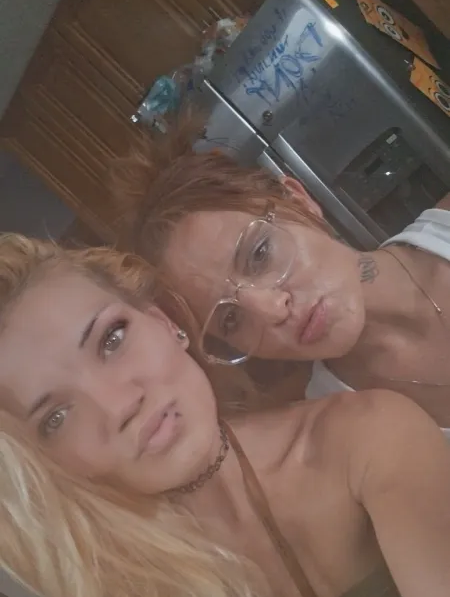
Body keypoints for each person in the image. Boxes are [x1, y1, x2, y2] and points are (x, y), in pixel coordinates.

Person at [1, 234, 450, 597]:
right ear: (46, 465)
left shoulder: (365, 437)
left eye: (112, 339)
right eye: (56, 417)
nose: (120, 403)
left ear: (165, 323)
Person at [112, 117, 450, 430]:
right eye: (231, 319)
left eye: (259, 255)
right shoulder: (339, 435)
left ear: (300, 202)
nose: (272, 310)